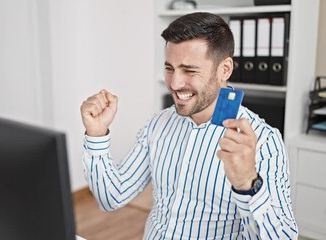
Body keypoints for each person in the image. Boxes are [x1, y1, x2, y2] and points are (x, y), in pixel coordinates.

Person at [81, 12, 298, 239]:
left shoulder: (264, 141)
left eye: (189, 70)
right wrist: (96, 134)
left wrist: (248, 184)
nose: (174, 83)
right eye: (169, 68)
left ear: (224, 70)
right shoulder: (158, 125)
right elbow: (112, 197)